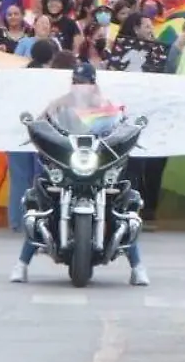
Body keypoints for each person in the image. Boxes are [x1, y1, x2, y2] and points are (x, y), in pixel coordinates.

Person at [9, 62, 149, 286]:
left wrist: (127, 132)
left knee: (121, 206)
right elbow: (41, 122)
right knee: (41, 202)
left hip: (96, 163)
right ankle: (21, 264)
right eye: (76, 81)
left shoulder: (106, 106)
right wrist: (36, 129)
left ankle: (138, 267)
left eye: (85, 82)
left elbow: (120, 126)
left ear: (94, 83)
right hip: (70, 163)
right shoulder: (60, 105)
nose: (80, 86)